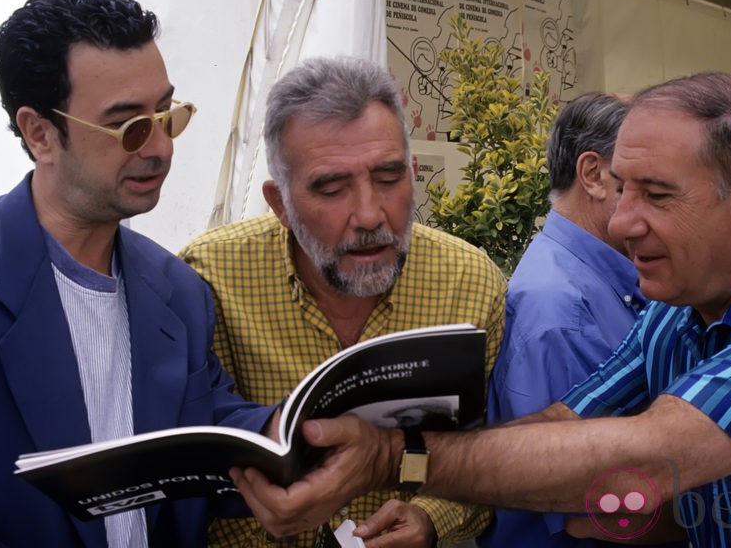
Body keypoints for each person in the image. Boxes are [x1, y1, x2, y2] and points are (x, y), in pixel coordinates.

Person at [230, 71, 731, 548]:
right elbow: (566, 416)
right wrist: (409, 470)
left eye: (657, 194)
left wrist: (388, 458)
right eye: (622, 187)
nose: (621, 219)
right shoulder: (680, 307)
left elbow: (648, 456)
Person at [0, 0, 274, 548]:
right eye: (129, 127)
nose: (161, 147)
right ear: (39, 132)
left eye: (168, 114)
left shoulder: (179, 290)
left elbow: (210, 431)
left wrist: (299, 434)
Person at [179, 56, 506, 548]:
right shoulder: (210, 280)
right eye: (332, 189)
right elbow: (188, 462)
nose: (371, 214)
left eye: (390, 178)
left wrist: (431, 519)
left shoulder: (468, 283)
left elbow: (497, 449)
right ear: (280, 204)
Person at [480, 93, 648, 547]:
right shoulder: (560, 310)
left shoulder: (597, 280)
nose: (658, 208)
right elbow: (587, 509)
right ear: (593, 175)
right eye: (646, 185)